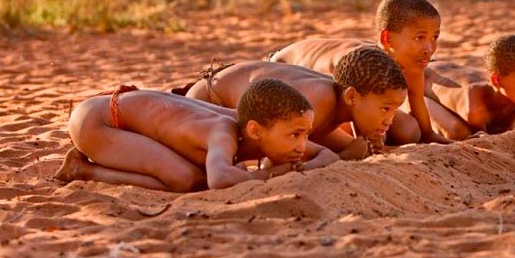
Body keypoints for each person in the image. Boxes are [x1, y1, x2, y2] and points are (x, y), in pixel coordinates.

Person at [54, 80, 338, 192]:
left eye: (305, 135)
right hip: (100, 120)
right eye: (295, 136)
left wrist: (300, 165)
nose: (302, 145)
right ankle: (84, 169)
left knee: (228, 168)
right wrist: (278, 174)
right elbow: (219, 180)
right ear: (255, 130)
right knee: (187, 180)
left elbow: (327, 154)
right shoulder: (223, 132)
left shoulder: (267, 128)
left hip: (127, 111)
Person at [268, 0, 451, 144]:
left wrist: (438, 139)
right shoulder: (357, 64)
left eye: (434, 37)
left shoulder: (412, 64)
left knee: (409, 131)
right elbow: (352, 105)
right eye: (420, 38)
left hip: (336, 94)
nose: (429, 48)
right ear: (387, 39)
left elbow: (423, 124)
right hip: (286, 65)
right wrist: (365, 141)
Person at [180, 46, 408, 159]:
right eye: (385, 109)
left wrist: (363, 145)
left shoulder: (336, 101)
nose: (389, 119)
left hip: (232, 99)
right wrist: (341, 157)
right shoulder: (318, 100)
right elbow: (274, 156)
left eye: (394, 110)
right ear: (351, 97)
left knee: (352, 148)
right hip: (208, 102)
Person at [425, 34, 515, 140]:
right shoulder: (475, 111)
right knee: (458, 132)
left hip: (456, 71)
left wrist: (514, 127)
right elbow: (485, 136)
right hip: (424, 82)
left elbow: (504, 126)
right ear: (497, 81)